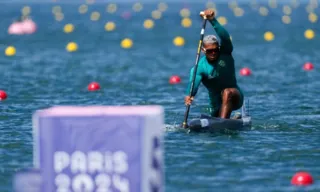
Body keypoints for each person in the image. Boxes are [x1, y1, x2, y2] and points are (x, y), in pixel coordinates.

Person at [184, 9, 243, 119]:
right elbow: (194, 83)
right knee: (215, 118)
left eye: (215, 50)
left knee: (227, 92)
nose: (213, 53)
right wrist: (189, 95)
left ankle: (223, 121)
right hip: (216, 104)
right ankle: (231, 119)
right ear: (203, 50)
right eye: (209, 51)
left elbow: (225, 38)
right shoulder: (200, 67)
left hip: (235, 96)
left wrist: (212, 20)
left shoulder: (225, 53)